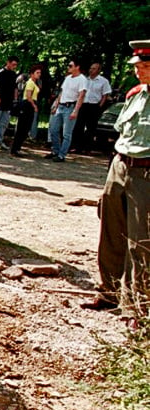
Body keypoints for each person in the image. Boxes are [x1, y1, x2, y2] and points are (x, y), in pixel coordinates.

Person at [83, 40, 150, 312]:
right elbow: (123, 130)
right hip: (120, 165)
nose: (139, 71)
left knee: (141, 240)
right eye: (137, 66)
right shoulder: (135, 94)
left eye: (145, 66)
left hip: (146, 172)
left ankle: (138, 306)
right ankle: (109, 292)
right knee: (111, 231)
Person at [46, 59, 87, 162]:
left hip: (70, 106)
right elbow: (62, 92)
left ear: (77, 67)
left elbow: (81, 95)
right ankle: (55, 150)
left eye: (70, 66)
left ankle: (62, 155)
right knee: (53, 129)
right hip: (61, 106)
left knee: (66, 133)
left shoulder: (82, 79)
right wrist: (56, 104)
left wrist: (76, 110)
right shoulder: (67, 78)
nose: (68, 67)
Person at [71, 62, 112, 154]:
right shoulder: (85, 80)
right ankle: (77, 147)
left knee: (91, 128)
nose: (91, 70)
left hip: (94, 106)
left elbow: (105, 95)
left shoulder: (103, 81)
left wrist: (99, 106)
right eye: (90, 68)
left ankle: (87, 148)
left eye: (94, 68)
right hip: (83, 105)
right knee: (79, 126)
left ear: (98, 70)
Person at [10, 65, 41, 157]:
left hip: (29, 105)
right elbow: (28, 96)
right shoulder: (30, 83)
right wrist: (34, 105)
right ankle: (15, 149)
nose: (39, 75)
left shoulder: (35, 83)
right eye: (37, 73)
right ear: (32, 74)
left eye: (40, 73)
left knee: (25, 128)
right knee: (22, 128)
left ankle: (17, 148)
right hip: (27, 105)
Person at [0, 56, 19, 150]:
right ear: (8, 62)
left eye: (16, 65)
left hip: (8, 104)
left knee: (3, 124)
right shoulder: (0, 73)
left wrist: (15, 99)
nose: (14, 66)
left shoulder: (13, 74)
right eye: (13, 64)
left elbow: (15, 88)